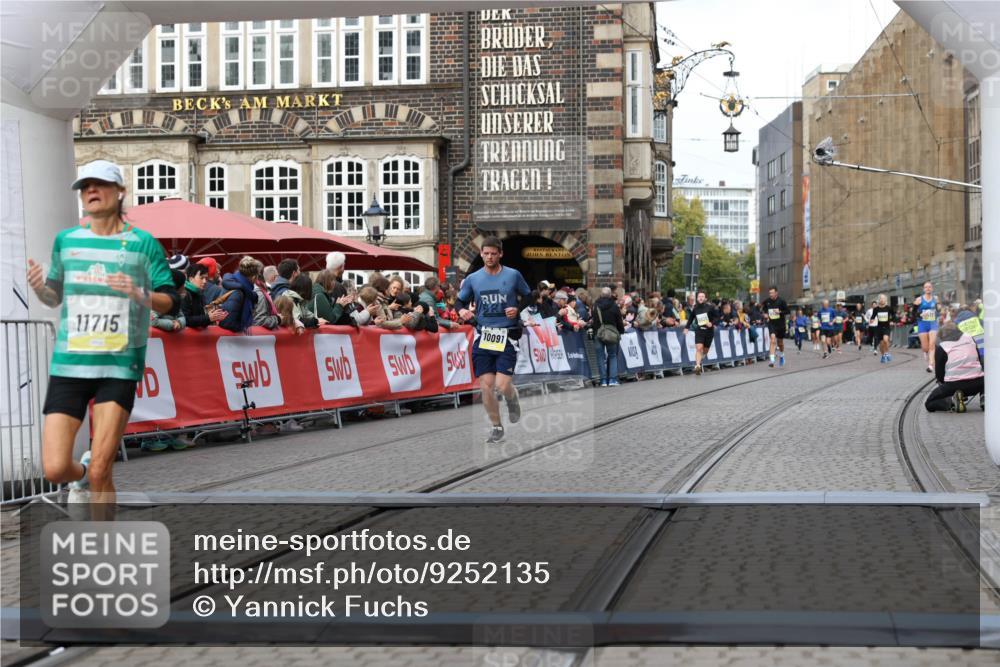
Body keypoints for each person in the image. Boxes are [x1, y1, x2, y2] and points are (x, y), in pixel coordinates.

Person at [27, 160, 179, 501]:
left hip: (118, 366)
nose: (91, 190)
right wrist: (39, 289)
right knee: (54, 469)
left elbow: (171, 301)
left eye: (99, 184)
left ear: (120, 191)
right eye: (85, 186)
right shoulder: (66, 241)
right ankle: (79, 476)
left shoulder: (143, 243)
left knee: (101, 470)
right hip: (70, 365)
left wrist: (139, 293)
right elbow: (54, 297)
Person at [455, 237, 532, 444]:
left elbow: (529, 296)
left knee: (502, 385)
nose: (489, 257)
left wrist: (517, 309)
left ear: (500, 254)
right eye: (486, 253)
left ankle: (512, 398)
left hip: (507, 335)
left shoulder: (513, 275)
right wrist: (462, 311)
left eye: (493, 254)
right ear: (481, 254)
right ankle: (497, 426)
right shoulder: (473, 279)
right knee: (486, 386)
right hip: (484, 336)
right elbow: (459, 301)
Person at [924, 322, 984, 412]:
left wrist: (944, 386)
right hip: (978, 383)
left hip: (954, 386)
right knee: (987, 380)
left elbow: (939, 375)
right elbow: (979, 360)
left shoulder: (942, 346)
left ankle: (952, 402)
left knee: (929, 403)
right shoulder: (969, 338)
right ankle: (985, 397)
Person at [217, 257, 261, 333]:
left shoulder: (237, 285)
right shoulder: (238, 292)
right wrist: (242, 328)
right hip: (230, 338)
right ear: (254, 277)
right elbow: (227, 323)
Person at [592, 286, 624, 387]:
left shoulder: (595, 305)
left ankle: (603, 380)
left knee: (600, 357)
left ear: (601, 295)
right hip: (612, 333)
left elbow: (594, 320)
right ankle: (612, 379)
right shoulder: (614, 306)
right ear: (610, 295)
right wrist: (621, 331)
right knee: (612, 356)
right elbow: (619, 320)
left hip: (598, 332)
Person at [182, 262, 227, 329]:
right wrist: (208, 318)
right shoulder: (184, 294)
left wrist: (213, 316)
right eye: (201, 278)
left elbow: (201, 320)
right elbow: (185, 320)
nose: (205, 281)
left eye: (206, 278)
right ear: (191, 279)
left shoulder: (199, 294)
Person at [684, 290, 718, 375]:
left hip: (709, 331)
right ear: (697, 298)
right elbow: (691, 318)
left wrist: (712, 323)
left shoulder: (710, 307)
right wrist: (686, 327)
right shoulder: (695, 308)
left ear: (705, 298)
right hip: (699, 330)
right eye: (699, 296)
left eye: (702, 296)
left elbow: (717, 317)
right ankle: (697, 366)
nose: (701, 298)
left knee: (705, 350)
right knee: (699, 348)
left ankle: (700, 360)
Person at [914, 281, 940, 373]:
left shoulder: (936, 298)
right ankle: (925, 352)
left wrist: (939, 309)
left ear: (932, 288)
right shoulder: (919, 299)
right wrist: (919, 314)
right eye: (926, 287)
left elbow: (938, 310)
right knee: (925, 347)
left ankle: (931, 365)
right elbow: (913, 313)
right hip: (922, 324)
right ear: (923, 289)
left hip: (933, 323)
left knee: (932, 344)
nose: (928, 288)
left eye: (929, 287)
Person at [760, 287, 790, 367]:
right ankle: (772, 360)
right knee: (772, 340)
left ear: (776, 293)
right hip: (772, 323)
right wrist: (765, 314)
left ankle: (781, 355)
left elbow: (788, 311)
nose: (771, 294)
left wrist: (780, 312)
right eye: (770, 293)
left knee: (780, 343)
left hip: (780, 324)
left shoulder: (782, 301)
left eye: (772, 293)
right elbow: (762, 309)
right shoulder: (767, 301)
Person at [873, 293, 894, 363]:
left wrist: (892, 321)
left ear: (886, 300)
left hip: (887, 326)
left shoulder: (889, 308)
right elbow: (873, 316)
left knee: (885, 340)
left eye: (883, 298)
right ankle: (883, 355)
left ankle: (887, 353)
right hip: (879, 328)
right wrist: (872, 319)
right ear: (879, 300)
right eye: (881, 299)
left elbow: (894, 315)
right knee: (881, 344)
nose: (882, 300)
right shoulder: (876, 309)